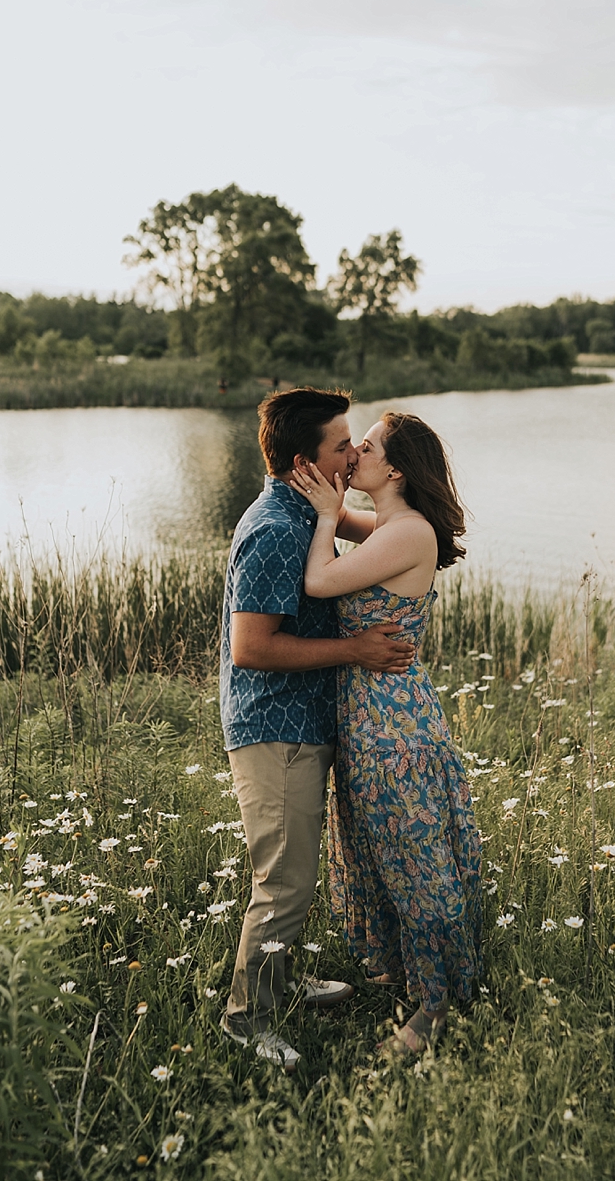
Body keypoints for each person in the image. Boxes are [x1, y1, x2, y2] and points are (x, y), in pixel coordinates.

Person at [219, 388, 415, 1072]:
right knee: (284, 881)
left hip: (305, 721)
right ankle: (248, 1019)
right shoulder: (276, 529)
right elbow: (252, 647)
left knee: (297, 873)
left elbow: (391, 535)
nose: (354, 451)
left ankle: (281, 978)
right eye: (342, 445)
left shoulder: (308, 510)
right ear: (306, 460)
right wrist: (357, 651)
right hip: (275, 728)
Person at [290, 411, 482, 1055]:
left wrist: (324, 516)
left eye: (364, 446)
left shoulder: (408, 534)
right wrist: (327, 496)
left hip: (394, 728)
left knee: (415, 862)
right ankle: (406, 974)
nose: (355, 451)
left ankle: (435, 1009)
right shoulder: (390, 526)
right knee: (383, 854)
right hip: (370, 719)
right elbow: (345, 519)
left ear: (395, 468)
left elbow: (319, 581)